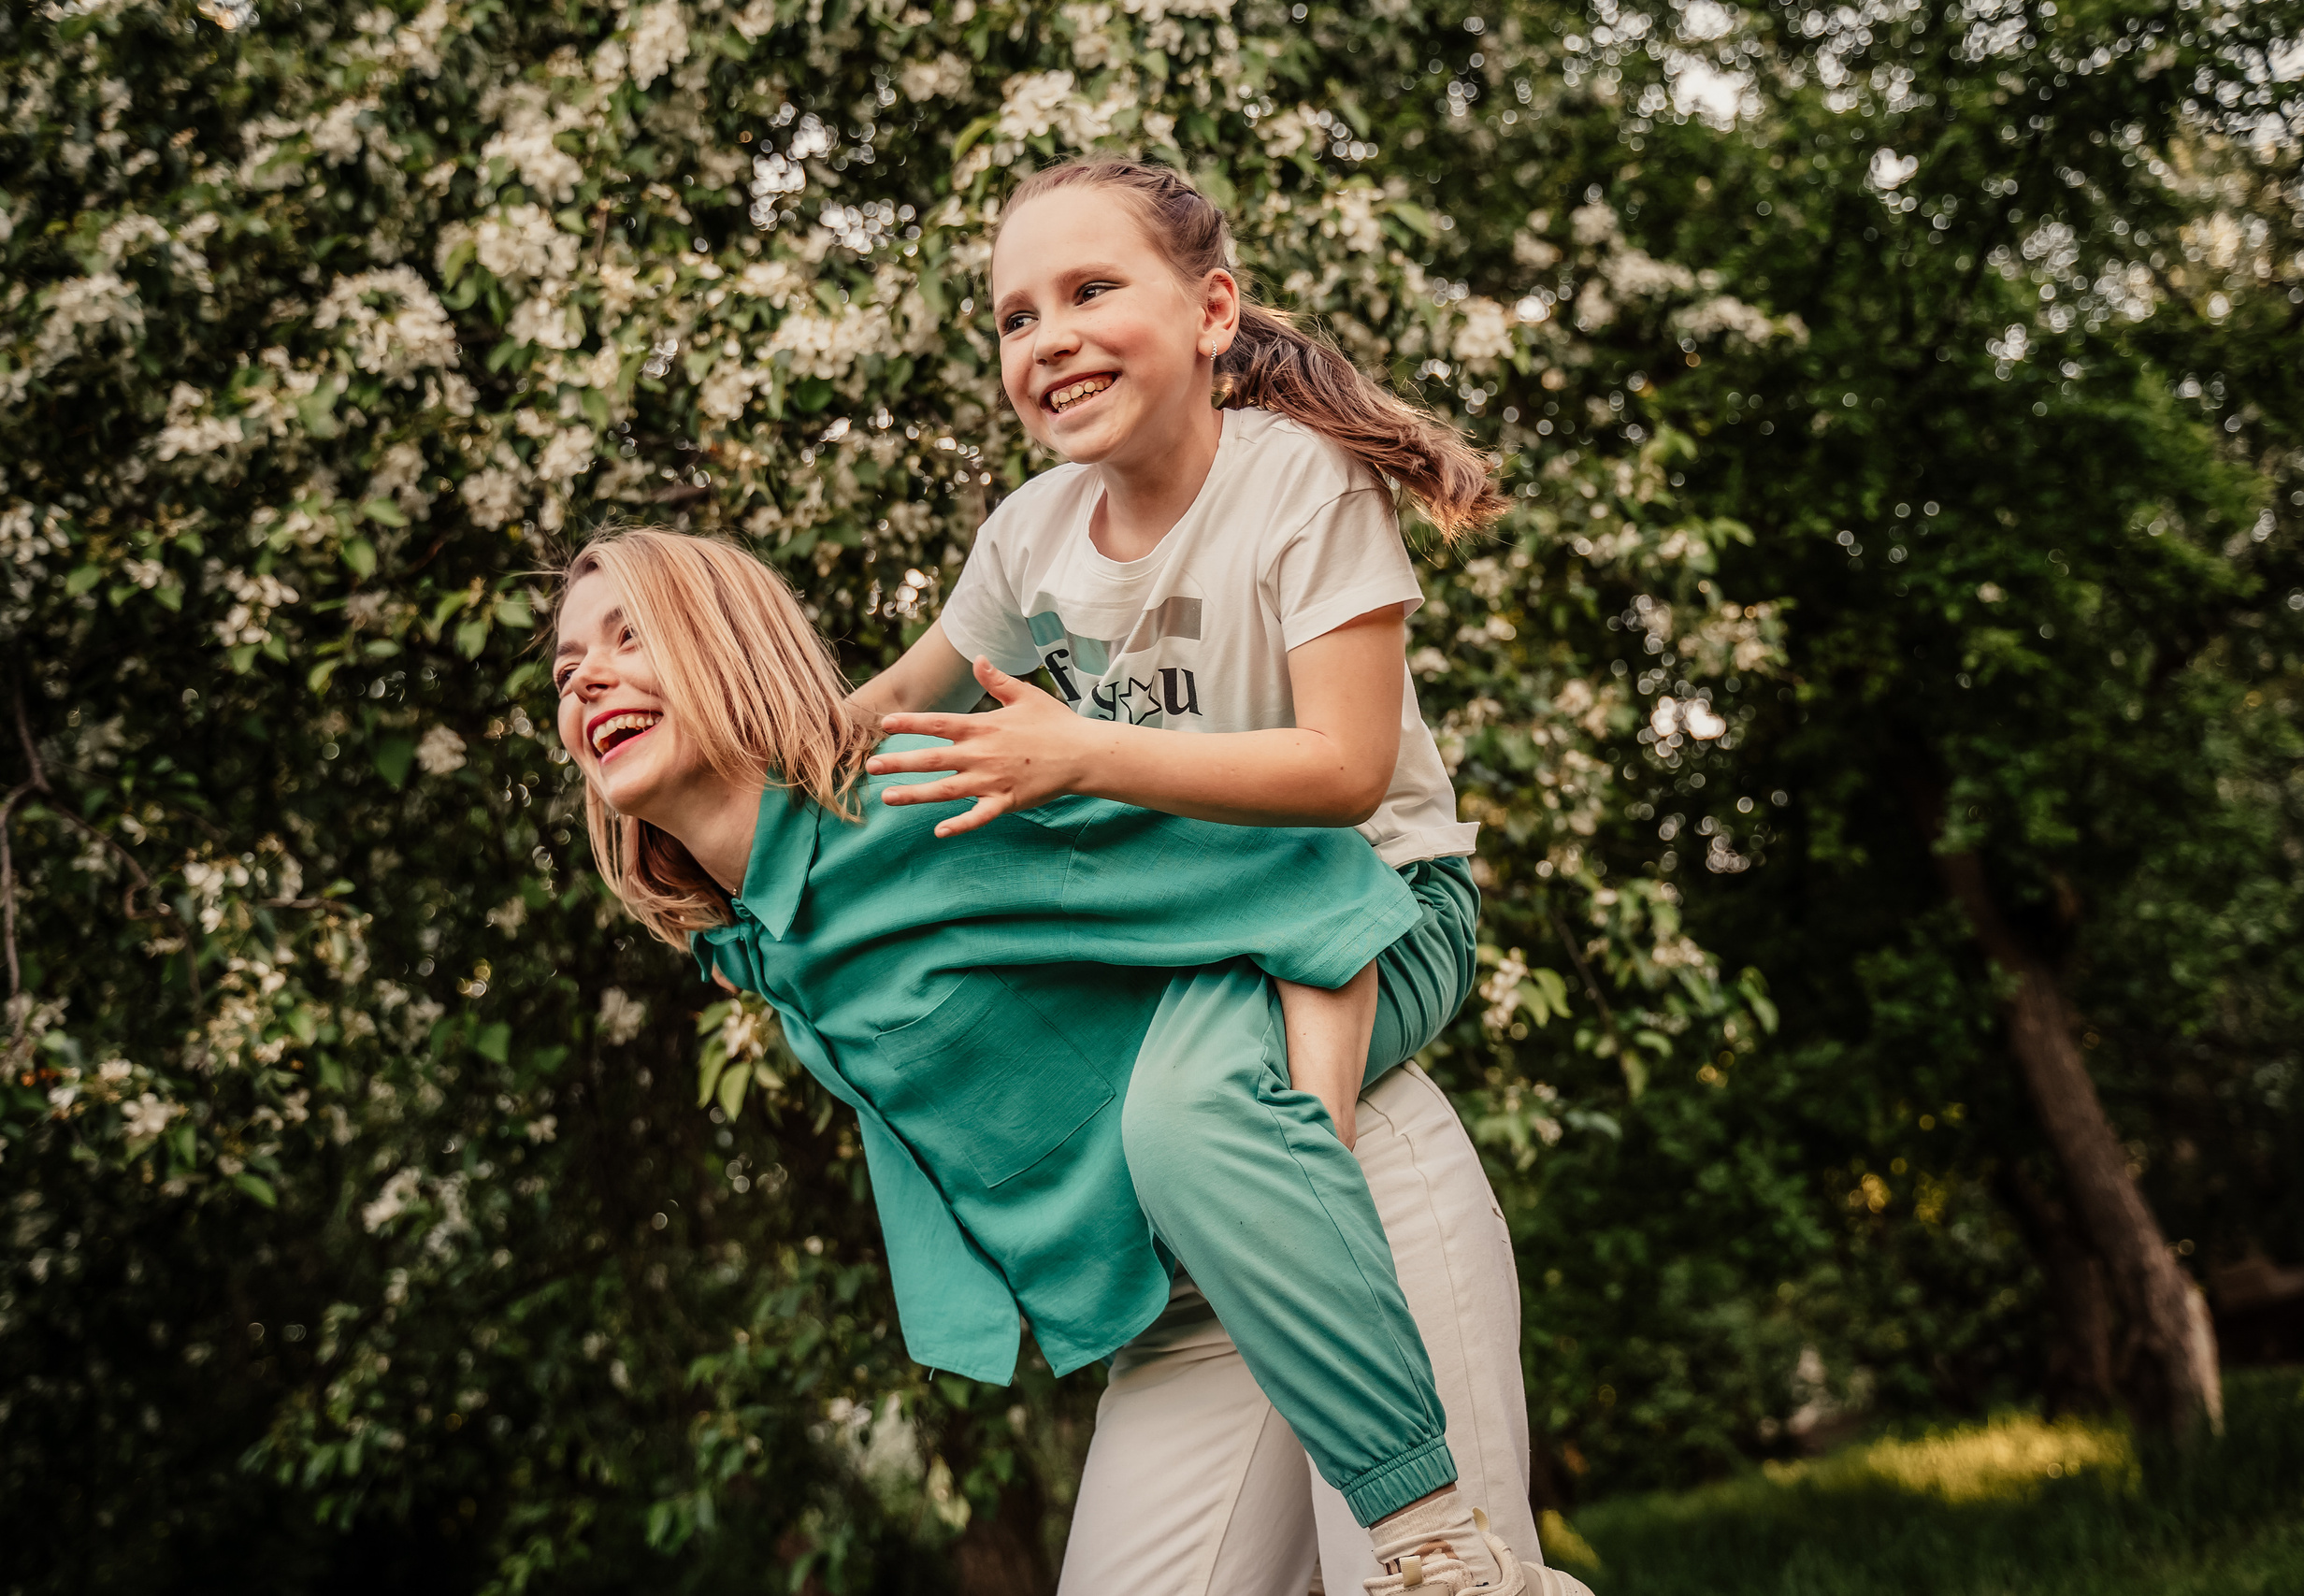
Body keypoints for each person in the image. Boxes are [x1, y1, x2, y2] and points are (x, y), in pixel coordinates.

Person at [553, 529, 1577, 1596]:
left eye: (630, 636)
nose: (589, 678)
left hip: (1335, 1194)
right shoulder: (758, 929)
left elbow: (1307, 866)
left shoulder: (926, 792)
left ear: (727, 645)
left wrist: (1311, 1143)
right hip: (1184, 1314)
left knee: (1447, 1584)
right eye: (568, 670)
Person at [851, 159, 1564, 1594]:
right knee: (1161, 1121)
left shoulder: (1295, 480)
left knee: (1184, 1116)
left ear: (1212, 311)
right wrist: (716, 741)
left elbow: (1347, 768)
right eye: (1012, 316)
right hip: (1210, 939)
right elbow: (879, 720)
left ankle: (1426, 1529)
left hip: (1386, 905)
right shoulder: (1029, 535)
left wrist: (1084, 752)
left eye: (1091, 289)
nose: (1047, 335)